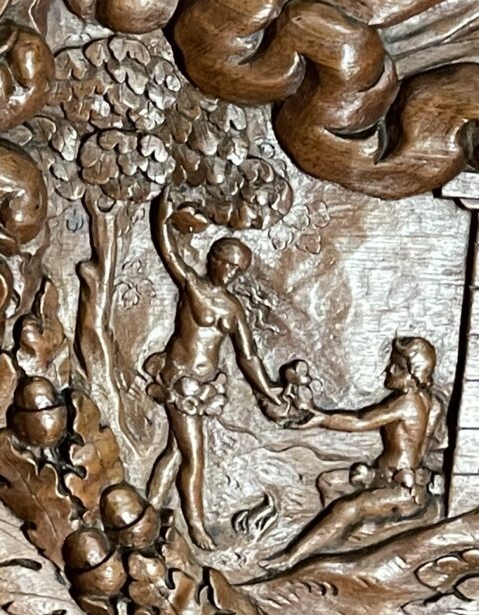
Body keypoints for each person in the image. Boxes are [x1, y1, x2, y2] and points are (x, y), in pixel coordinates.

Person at [145, 196, 300, 548]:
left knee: (176, 451)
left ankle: (150, 508)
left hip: (204, 388)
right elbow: (168, 252)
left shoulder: (233, 309)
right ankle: (196, 525)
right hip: (180, 382)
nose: (231, 273)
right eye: (228, 264)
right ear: (213, 260)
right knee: (194, 455)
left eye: (238, 269)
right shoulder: (192, 286)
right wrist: (162, 214)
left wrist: (268, 390)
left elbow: (249, 356)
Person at [266, 335, 443, 573]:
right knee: (329, 482)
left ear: (414, 374)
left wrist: (323, 418)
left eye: (397, 367)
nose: (388, 370)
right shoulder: (429, 402)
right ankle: (337, 543)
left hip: (400, 487)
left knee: (346, 508)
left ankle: (290, 558)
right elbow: (425, 441)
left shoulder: (406, 403)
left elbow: (361, 421)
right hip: (384, 475)